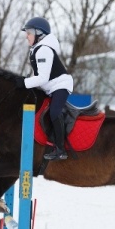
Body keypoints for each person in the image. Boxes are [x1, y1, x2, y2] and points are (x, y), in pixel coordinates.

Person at [17, 17, 73, 160]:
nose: (26, 36)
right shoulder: (36, 49)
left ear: (39, 33)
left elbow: (42, 78)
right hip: (51, 87)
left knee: (54, 112)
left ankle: (61, 149)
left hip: (60, 85)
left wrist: (24, 83)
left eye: (29, 32)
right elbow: (36, 75)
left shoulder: (44, 50)